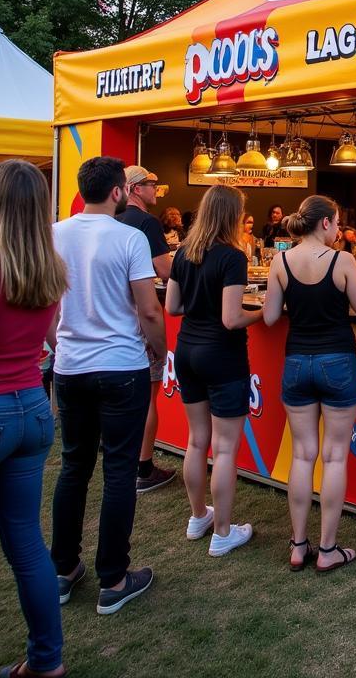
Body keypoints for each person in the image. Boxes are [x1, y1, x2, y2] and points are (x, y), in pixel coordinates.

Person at [0, 161, 68, 678]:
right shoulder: (50, 266)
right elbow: (50, 338)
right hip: (33, 408)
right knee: (25, 542)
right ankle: (47, 662)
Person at [51, 156, 166, 616]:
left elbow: (48, 301)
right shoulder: (130, 237)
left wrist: (55, 342)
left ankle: (62, 570)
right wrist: (158, 349)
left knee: (74, 465)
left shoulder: (56, 233)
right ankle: (114, 578)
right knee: (118, 469)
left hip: (71, 365)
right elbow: (149, 308)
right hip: (121, 364)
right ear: (119, 191)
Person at [262, 196, 356, 572]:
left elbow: (268, 317)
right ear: (328, 223)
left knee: (302, 455)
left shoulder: (280, 261)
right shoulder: (342, 261)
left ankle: (299, 546)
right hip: (338, 363)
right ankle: (328, 550)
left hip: (297, 362)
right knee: (333, 457)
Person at [166, 186, 262, 557]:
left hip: (187, 350)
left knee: (196, 440)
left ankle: (198, 517)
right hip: (222, 356)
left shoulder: (183, 254)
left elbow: (172, 306)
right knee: (224, 449)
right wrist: (264, 312)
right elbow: (231, 318)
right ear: (232, 216)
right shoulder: (232, 256)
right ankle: (223, 532)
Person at [117, 165, 175, 495]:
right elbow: (164, 269)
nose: (157, 191)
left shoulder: (112, 219)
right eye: (154, 184)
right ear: (137, 189)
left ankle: (125, 462)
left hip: (114, 319)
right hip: (139, 318)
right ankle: (144, 467)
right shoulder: (146, 222)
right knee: (149, 396)